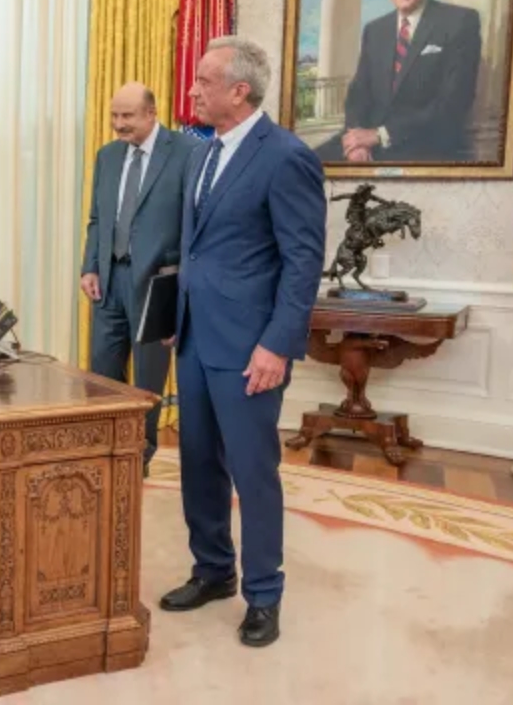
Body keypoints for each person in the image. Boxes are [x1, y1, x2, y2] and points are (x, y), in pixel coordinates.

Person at [162, 36, 326, 648]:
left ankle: (264, 594)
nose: (193, 90)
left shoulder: (285, 156)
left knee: (253, 472)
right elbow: (198, 247)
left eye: (204, 80)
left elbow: (302, 260)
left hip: (251, 348)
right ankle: (212, 571)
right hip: (197, 337)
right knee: (197, 463)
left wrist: (277, 345)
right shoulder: (203, 153)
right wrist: (178, 311)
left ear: (239, 90)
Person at [80, 82, 200, 474]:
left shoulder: (188, 152)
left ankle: (138, 458)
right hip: (109, 282)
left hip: (157, 284)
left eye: (127, 116)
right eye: (114, 115)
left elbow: (195, 224)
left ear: (151, 113)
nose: (118, 124)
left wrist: (183, 286)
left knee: (147, 380)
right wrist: (90, 266)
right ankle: (103, 454)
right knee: (102, 375)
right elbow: (98, 219)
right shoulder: (108, 156)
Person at [316, 0, 481, 164]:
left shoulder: (458, 22)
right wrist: (356, 140)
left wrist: (381, 135)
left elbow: (453, 102)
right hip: (368, 140)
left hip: (424, 143)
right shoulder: (375, 30)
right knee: (298, 164)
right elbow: (358, 94)